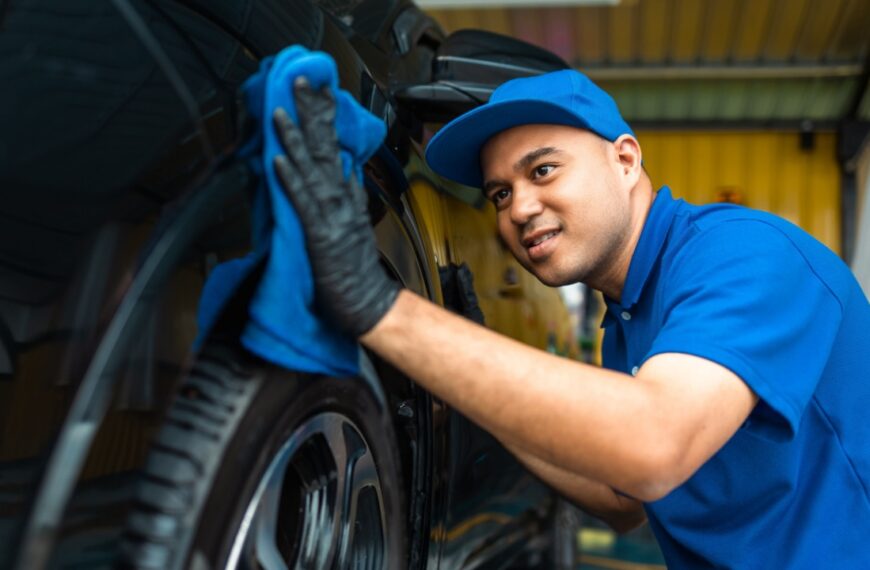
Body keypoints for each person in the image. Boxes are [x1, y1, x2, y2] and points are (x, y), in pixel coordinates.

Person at [272, 70, 870, 569]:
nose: (520, 209)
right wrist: (459, 374)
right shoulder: (628, 320)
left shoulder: (742, 254)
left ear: (626, 160)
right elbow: (621, 498)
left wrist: (382, 311)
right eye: (499, 194)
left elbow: (654, 444)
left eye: (542, 171)